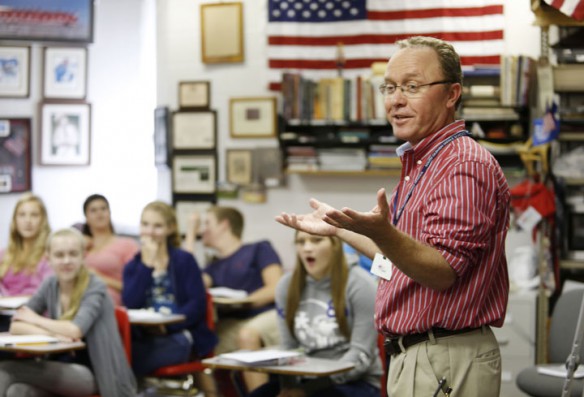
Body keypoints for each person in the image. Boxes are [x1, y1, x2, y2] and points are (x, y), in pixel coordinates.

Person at [276, 36, 510, 397]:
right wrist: (339, 229)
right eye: (390, 87)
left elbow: (442, 271)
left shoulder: (462, 165)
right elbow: (400, 261)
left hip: (442, 356)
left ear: (452, 95)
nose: (396, 100)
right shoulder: (423, 163)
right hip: (419, 355)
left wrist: (384, 233)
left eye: (412, 87)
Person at [0, 227, 136, 397]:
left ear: (83, 256)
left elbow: (75, 329)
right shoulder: (50, 284)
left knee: (5, 369)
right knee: (17, 391)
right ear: (48, 258)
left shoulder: (95, 286)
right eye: (59, 255)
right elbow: (16, 325)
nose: (66, 260)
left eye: (73, 254)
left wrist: (35, 319)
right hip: (59, 368)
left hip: (93, 375)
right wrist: (54, 334)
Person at [249, 231, 382, 397]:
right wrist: (289, 388)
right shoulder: (286, 285)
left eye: (316, 241)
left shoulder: (362, 284)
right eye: (301, 242)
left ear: (335, 246)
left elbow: (360, 355)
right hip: (304, 377)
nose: (307, 248)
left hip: (355, 381)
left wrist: (306, 391)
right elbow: (288, 348)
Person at [184, 206, 283, 392]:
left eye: (207, 224)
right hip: (234, 323)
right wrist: (189, 235)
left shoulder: (259, 249)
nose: (202, 230)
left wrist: (244, 302)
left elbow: (276, 287)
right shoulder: (213, 266)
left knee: (246, 335)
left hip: (268, 316)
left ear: (224, 225)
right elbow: (188, 283)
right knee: (197, 345)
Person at [122, 200, 217, 378]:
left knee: (126, 361)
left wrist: (168, 327)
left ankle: (120, 384)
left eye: (157, 226)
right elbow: (130, 303)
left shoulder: (184, 260)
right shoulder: (132, 266)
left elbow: (197, 305)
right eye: (145, 224)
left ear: (170, 228)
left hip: (180, 335)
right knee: (122, 352)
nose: (149, 231)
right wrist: (147, 265)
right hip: (144, 336)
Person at [79, 194, 139, 306]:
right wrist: (79, 246)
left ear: (110, 213)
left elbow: (134, 286)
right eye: (93, 210)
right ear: (86, 218)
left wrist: (100, 278)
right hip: (79, 299)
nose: (99, 213)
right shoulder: (80, 246)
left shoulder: (127, 245)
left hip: (109, 302)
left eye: (103, 208)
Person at [0, 193, 52, 297]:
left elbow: (48, 293)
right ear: (15, 220)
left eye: (34, 215)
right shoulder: (3, 255)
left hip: (35, 310)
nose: (28, 221)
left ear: (43, 220)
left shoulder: (50, 255)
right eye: (22, 215)